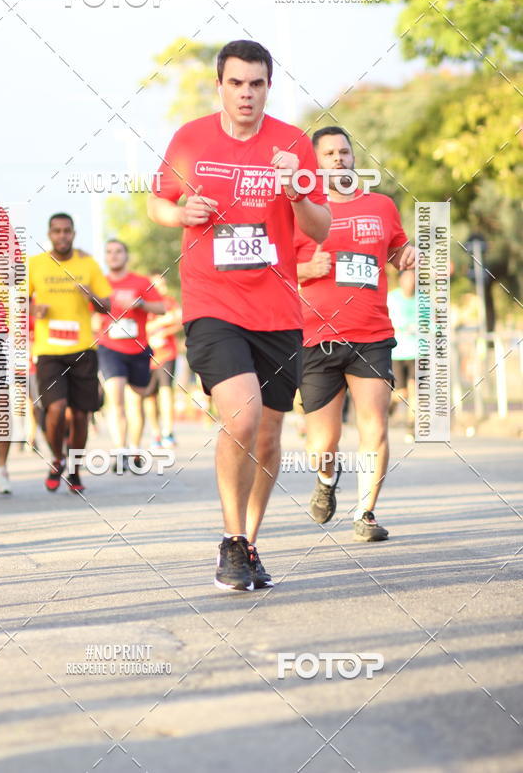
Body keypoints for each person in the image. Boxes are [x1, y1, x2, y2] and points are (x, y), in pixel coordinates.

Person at [149, 39, 330, 591]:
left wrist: (295, 193)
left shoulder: (292, 143)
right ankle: (229, 541)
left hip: (278, 309)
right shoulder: (191, 140)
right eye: (236, 83)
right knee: (243, 417)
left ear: (268, 86)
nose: (246, 93)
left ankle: (250, 543)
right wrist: (181, 210)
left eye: (256, 84)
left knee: (270, 437)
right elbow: (157, 203)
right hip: (213, 304)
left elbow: (321, 228)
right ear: (219, 85)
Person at [295, 126, 415, 541]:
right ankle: (327, 480)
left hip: (371, 334)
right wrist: (304, 271)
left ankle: (365, 514)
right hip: (317, 339)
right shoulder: (300, 213)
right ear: (315, 164)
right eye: (328, 154)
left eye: (344, 151)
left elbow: (398, 251)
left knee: (374, 427)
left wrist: (409, 254)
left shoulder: (381, 205)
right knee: (322, 444)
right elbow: (270, 271)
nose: (338, 159)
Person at [29, 213, 111, 493]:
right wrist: (32, 309)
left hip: (83, 350)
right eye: (56, 231)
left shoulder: (87, 264)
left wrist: (92, 296)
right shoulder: (35, 264)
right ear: (49, 234)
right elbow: (16, 297)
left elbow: (107, 305)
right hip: (49, 351)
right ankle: (56, 458)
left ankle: (74, 471)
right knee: (55, 408)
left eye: (67, 231)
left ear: (74, 234)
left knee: (80, 415)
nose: (62, 235)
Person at [95, 240, 165, 466]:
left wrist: (141, 303)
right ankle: (120, 450)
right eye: (109, 252)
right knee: (115, 399)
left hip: (138, 348)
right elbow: (89, 313)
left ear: (126, 256)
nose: (113, 256)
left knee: (137, 399)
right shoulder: (100, 283)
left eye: (118, 252)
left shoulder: (141, 282)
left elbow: (162, 308)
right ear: (105, 257)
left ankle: (134, 447)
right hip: (110, 347)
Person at [144, 273, 183, 448]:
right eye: (159, 284)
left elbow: (179, 320)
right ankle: (156, 433)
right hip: (148, 356)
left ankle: (168, 432)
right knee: (149, 396)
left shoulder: (169, 302)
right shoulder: (144, 303)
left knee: (166, 391)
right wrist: (159, 324)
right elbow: (138, 325)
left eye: (164, 283)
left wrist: (164, 332)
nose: (163, 287)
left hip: (167, 354)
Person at [387, 269, 417, 440]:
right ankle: (390, 404)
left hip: (417, 352)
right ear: (400, 280)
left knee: (414, 392)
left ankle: (411, 428)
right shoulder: (392, 298)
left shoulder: (423, 299)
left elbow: (432, 323)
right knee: (402, 393)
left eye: (413, 278)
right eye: (407, 278)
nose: (410, 281)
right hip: (397, 352)